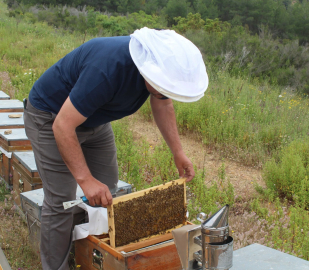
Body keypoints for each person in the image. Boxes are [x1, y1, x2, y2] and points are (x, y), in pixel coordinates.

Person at [23, 27, 208, 270]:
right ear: (147, 69)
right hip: (51, 117)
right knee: (61, 201)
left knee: (107, 191)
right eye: (162, 86)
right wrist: (85, 179)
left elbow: (162, 104)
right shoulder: (108, 69)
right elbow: (63, 126)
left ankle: (88, 252)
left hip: (94, 120)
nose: (164, 93)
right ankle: (55, 265)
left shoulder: (153, 71)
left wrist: (178, 152)